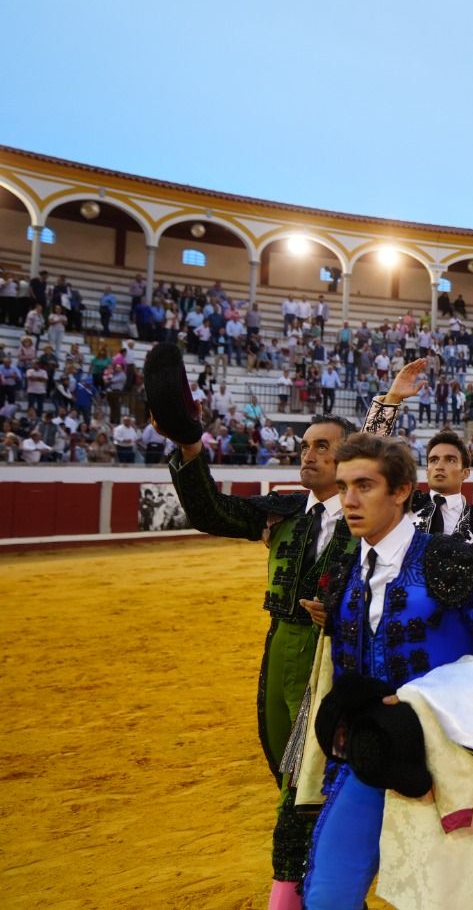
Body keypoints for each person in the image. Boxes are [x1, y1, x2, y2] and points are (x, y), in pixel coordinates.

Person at [294, 433, 473, 909]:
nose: (349, 500)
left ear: (400, 492)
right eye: (343, 486)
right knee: (327, 895)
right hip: (368, 757)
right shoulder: (345, 574)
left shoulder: (452, 560)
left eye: (365, 486)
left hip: (444, 766)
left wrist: (424, 699)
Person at [148, 342, 360, 903]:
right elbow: (208, 511)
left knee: (315, 778)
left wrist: (340, 613)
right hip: (281, 649)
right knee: (289, 771)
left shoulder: (369, 519)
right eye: (306, 446)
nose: (308, 455)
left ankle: (303, 885)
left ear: (348, 460)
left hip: (334, 656)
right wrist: (190, 445)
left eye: (323, 447)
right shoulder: (284, 510)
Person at [362, 359, 473, 563]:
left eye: (450, 460)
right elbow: (364, 463)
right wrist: (392, 399)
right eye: (433, 460)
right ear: (427, 468)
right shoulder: (404, 506)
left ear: (465, 472)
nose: (439, 466)